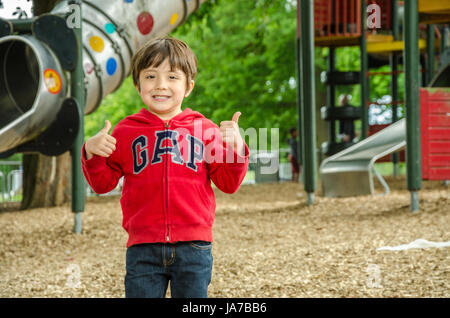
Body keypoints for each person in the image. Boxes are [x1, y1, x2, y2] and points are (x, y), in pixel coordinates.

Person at [81, 38, 249, 298]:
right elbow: (102, 184)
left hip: (194, 246)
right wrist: (92, 153)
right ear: (138, 85)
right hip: (142, 248)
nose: (160, 85)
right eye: (150, 76)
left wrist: (237, 150)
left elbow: (229, 183)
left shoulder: (205, 129)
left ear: (188, 86)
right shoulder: (126, 131)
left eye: (172, 76)